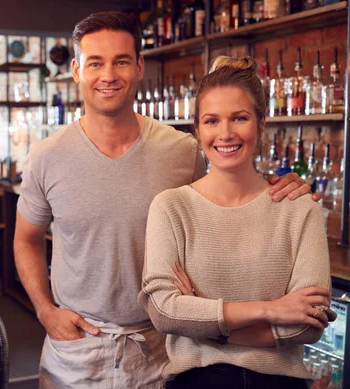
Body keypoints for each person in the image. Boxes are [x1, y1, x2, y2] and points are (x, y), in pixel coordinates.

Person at [14, 12, 315, 389]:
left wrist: (281, 185)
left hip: (164, 350)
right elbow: (26, 238)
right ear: (76, 70)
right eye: (95, 63)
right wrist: (45, 311)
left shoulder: (182, 150)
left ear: (139, 67)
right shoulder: (47, 155)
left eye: (121, 61)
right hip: (77, 348)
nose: (109, 75)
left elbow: (229, 187)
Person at [138, 56, 335, 389]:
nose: (225, 133)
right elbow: (165, 311)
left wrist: (209, 329)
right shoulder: (171, 207)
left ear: (261, 125)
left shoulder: (299, 208)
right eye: (212, 121)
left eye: (239, 118)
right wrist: (272, 310)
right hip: (197, 382)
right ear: (197, 131)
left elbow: (309, 323)